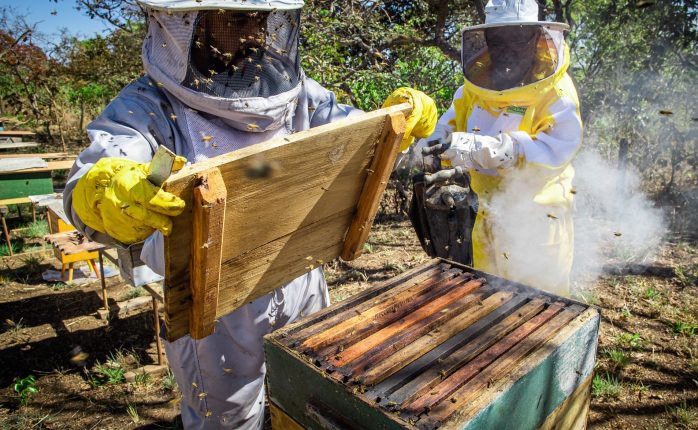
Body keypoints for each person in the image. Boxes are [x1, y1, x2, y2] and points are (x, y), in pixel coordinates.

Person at [63, 1, 436, 428]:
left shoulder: (296, 91)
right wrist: (103, 191)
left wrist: (394, 122)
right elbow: (95, 172)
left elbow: (351, 134)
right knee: (229, 419)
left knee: (307, 399)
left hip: (301, 274)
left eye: (261, 18)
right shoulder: (147, 106)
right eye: (237, 19)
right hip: (213, 305)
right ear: (186, 25)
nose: (254, 31)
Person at [422, 0, 582, 296]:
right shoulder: (471, 90)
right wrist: (427, 146)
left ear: (535, 38)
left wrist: (488, 150)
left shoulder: (557, 94)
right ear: (486, 39)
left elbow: (557, 149)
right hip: (485, 215)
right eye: (498, 40)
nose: (507, 49)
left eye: (517, 38)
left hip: (537, 221)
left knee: (539, 308)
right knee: (490, 302)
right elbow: (445, 129)